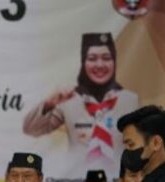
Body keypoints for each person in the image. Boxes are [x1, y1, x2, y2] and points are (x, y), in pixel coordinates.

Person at [23, 33, 139, 171]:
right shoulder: (69, 98)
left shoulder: (130, 100)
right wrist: (49, 103)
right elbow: (31, 129)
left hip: (117, 179)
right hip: (77, 179)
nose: (100, 64)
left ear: (114, 61)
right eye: (92, 58)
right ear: (84, 62)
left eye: (106, 58)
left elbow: (138, 145)